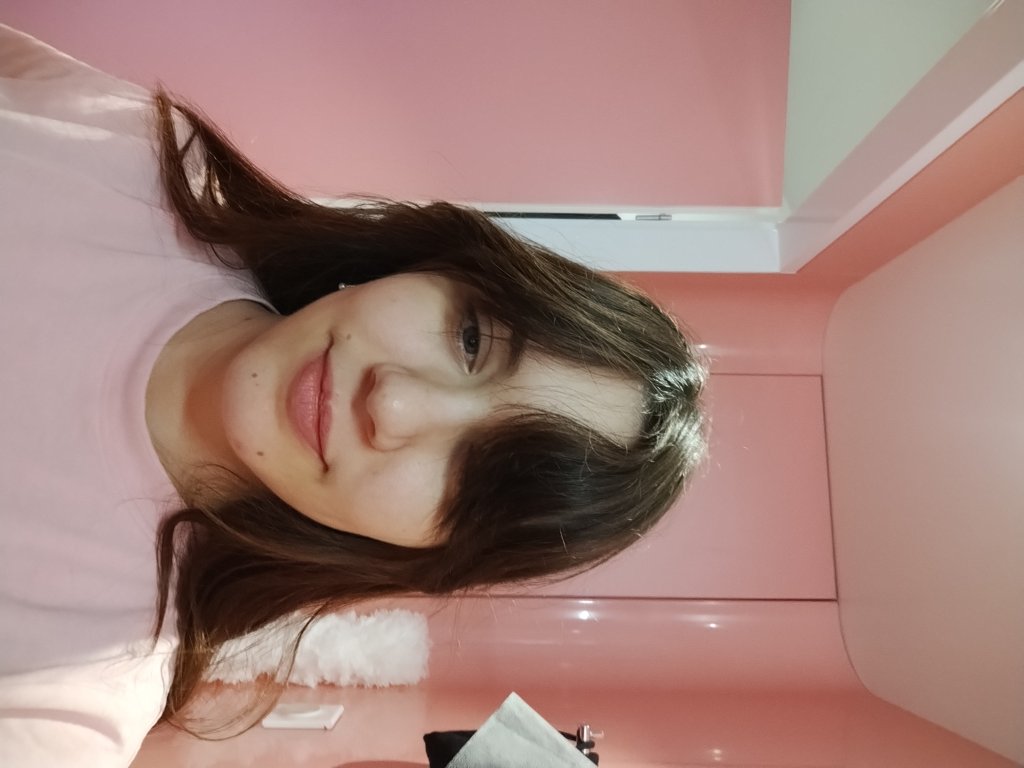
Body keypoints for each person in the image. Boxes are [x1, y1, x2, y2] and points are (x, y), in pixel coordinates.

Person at [0, 24, 706, 767]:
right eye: (471, 340)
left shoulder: (65, 699)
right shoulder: (145, 156)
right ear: (439, 267)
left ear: (427, 554)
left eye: (468, 475)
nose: (393, 403)